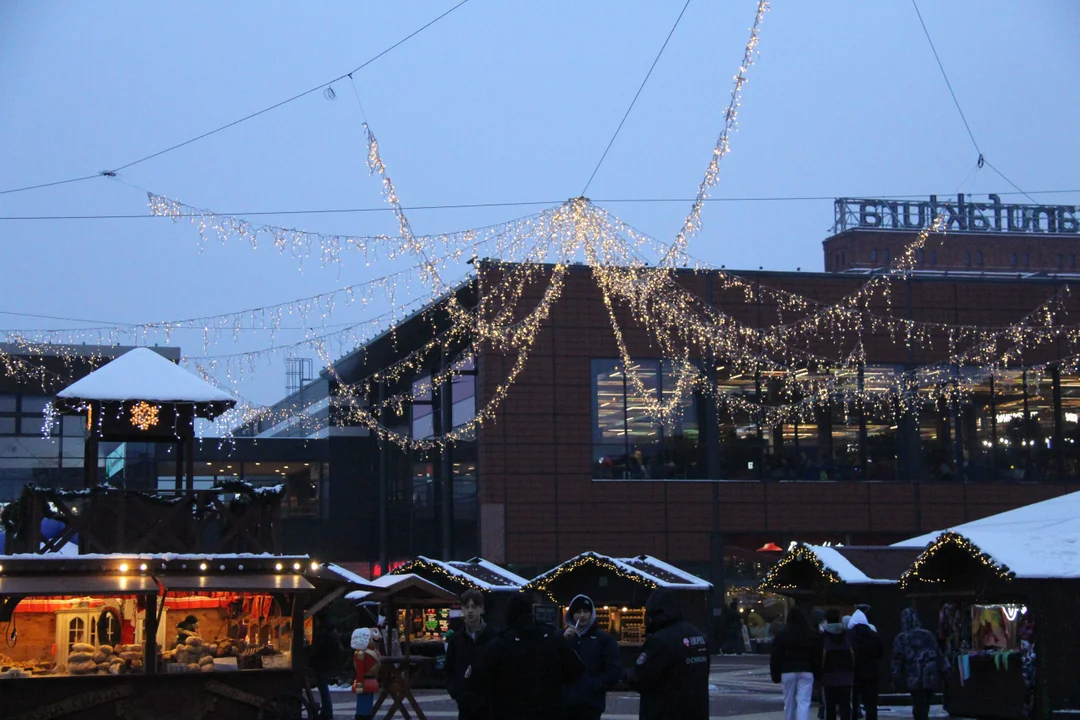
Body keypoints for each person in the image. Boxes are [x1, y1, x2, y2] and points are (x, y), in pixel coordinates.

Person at [476, 592, 583, 720]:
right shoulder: (553, 637)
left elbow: (483, 682)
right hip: (549, 711)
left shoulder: (499, 643)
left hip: (509, 711)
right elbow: (575, 671)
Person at [623, 588, 710, 720]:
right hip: (696, 710)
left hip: (665, 711)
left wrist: (624, 673)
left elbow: (639, 677)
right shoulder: (699, 636)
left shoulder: (661, 640)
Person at [562, 594, 622, 720]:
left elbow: (613, 671)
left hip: (590, 703)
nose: (582, 615)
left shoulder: (603, 639)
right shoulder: (562, 637)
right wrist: (562, 641)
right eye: (578, 612)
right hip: (563, 702)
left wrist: (592, 685)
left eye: (586, 611)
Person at [444, 589, 497, 720]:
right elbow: (449, 668)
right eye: (466, 607)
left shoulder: (494, 636)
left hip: (489, 703)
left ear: (482, 609)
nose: (470, 611)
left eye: (474, 607)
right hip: (465, 703)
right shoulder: (456, 640)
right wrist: (456, 692)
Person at [891, 608, 948, 720]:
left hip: (914, 677)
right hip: (930, 675)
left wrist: (894, 678)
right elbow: (938, 656)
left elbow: (897, 660)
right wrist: (946, 673)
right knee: (925, 704)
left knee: (918, 704)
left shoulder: (902, 638)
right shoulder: (928, 635)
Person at [770, 607, 819, 720]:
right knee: (804, 702)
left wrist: (775, 674)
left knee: (789, 703)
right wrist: (817, 672)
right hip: (806, 669)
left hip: (788, 670)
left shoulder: (782, 634)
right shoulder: (810, 633)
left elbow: (776, 657)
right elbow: (816, 655)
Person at [308, 614, 345, 720]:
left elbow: (318, 651)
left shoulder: (321, 634)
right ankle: (326, 712)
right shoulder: (330, 633)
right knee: (323, 688)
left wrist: (312, 657)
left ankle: (327, 713)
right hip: (326, 664)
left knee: (323, 688)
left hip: (321, 665)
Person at [820, 609, 854, 720]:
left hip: (829, 676)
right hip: (846, 675)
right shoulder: (847, 635)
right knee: (845, 705)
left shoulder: (824, 636)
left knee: (830, 706)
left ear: (827, 620)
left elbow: (821, 657)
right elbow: (853, 655)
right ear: (839, 619)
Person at [849, 609, 883, 720]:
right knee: (871, 704)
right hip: (871, 673)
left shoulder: (849, 636)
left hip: (854, 673)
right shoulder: (874, 635)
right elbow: (880, 653)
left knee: (853, 701)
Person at [350, 626, 381, 720]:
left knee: (366, 701)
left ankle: (365, 715)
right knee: (365, 702)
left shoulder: (364, 652)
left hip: (367, 680)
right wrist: (359, 683)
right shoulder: (362, 653)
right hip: (365, 681)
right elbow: (360, 669)